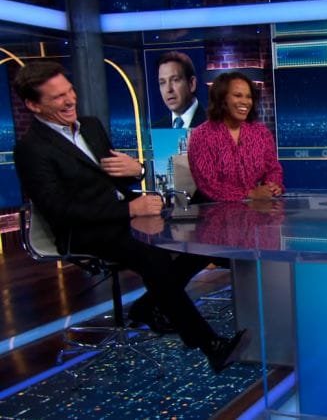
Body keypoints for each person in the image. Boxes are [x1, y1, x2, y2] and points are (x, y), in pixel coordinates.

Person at [13, 61, 248, 373]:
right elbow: (60, 210)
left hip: (124, 214)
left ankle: (148, 306)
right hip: (84, 230)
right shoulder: (31, 149)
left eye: (70, 91)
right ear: (33, 105)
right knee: (152, 254)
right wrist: (129, 210)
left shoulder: (90, 126)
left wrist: (136, 170)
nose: (69, 101)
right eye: (57, 97)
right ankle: (210, 345)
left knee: (199, 232)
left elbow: (116, 177)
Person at [188, 71, 284, 202]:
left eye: (249, 97)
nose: (245, 102)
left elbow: (273, 169)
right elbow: (208, 184)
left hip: (252, 208)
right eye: (238, 95)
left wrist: (272, 186)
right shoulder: (201, 136)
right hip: (213, 208)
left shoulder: (261, 133)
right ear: (222, 99)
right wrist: (249, 194)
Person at [152, 51, 206, 129]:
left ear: (192, 84)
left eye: (175, 80)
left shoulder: (214, 125)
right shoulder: (157, 128)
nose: (168, 89)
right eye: (162, 83)